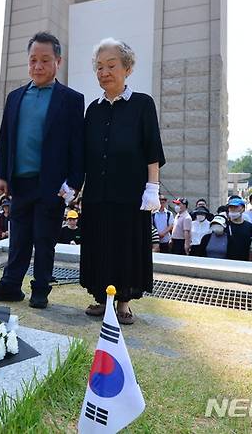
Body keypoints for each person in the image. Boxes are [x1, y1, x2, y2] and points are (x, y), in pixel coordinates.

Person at [0, 32, 85, 309]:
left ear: (58, 61)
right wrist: (1, 175)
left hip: (52, 184)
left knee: (45, 237)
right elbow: (5, 139)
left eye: (45, 60)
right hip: (20, 182)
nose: (38, 66)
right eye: (33, 60)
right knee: (20, 237)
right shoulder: (15, 97)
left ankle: (40, 289)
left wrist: (74, 183)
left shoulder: (71, 99)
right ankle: (11, 285)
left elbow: (78, 146)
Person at [79, 37, 165, 325]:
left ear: (127, 68)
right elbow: (85, 153)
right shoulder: (93, 109)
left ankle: (124, 302)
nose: (104, 72)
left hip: (131, 194)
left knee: (126, 247)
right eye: (99, 67)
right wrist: (74, 188)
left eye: (111, 65)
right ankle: (103, 299)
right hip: (97, 194)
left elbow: (152, 148)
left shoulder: (142, 104)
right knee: (99, 245)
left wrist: (152, 188)